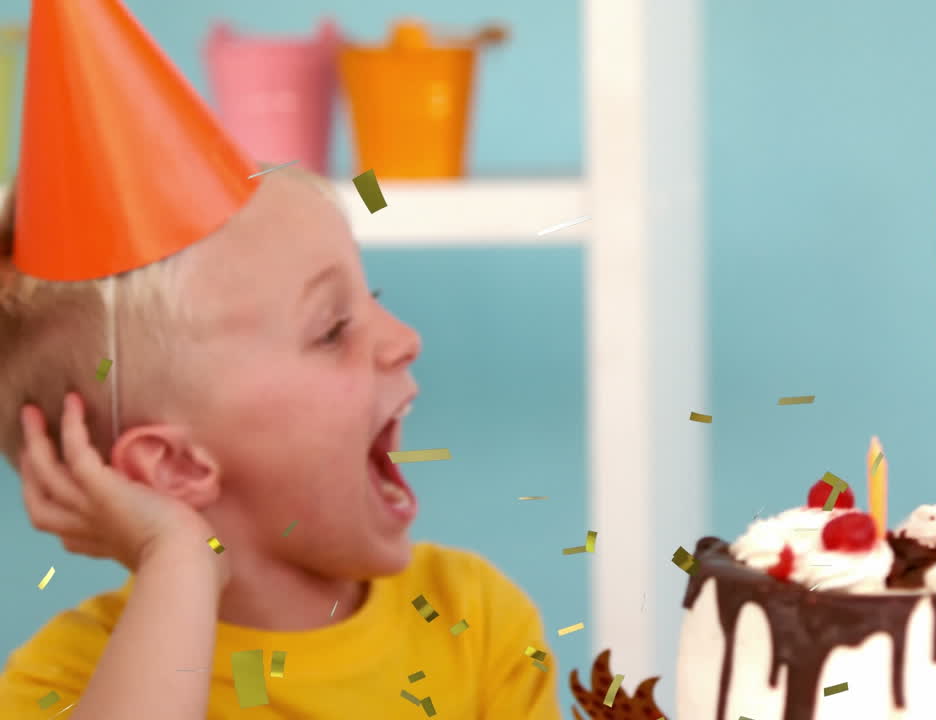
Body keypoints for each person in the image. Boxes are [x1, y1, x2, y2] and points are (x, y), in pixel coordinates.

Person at [0, 2, 560, 719]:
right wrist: (179, 559)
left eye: (373, 297)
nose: (404, 338)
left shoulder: (474, 624)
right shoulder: (68, 678)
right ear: (175, 467)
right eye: (333, 329)